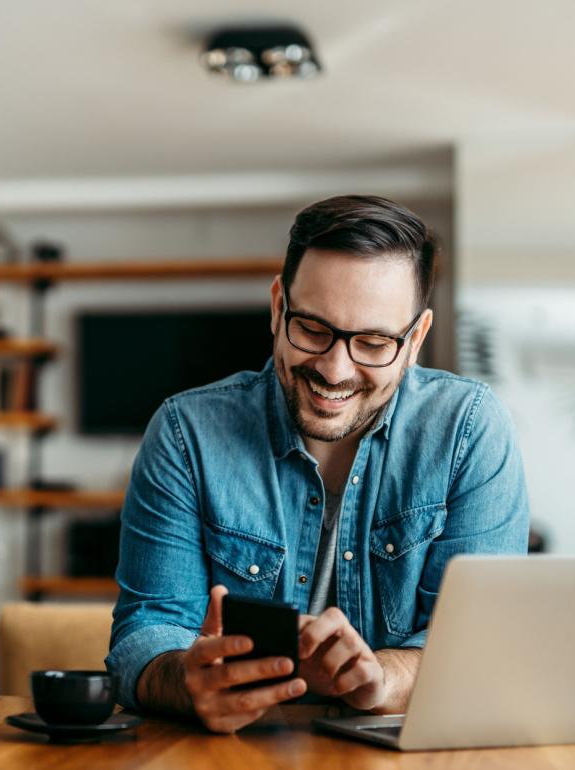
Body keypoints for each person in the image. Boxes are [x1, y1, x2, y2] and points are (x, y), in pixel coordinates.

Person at [105, 195, 529, 733]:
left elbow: (481, 646)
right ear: (279, 305)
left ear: (416, 338)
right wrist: (187, 681)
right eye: (312, 329)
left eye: (374, 342)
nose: (334, 369)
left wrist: (381, 677)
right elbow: (145, 634)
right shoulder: (186, 433)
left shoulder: (469, 429)